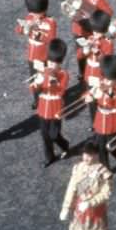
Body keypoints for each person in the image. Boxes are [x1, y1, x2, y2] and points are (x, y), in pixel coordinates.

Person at [59, 140, 113, 230]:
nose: (86, 158)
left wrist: (90, 203)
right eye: (84, 155)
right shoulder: (78, 168)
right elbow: (72, 188)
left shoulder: (104, 172)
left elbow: (106, 193)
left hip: (96, 209)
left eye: (89, 155)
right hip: (81, 208)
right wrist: (66, 207)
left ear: (96, 155)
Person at [30, 38, 70, 167]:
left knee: (54, 134)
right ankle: (49, 156)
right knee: (44, 135)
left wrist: (54, 81)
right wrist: (37, 83)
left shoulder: (63, 74)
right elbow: (34, 88)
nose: (52, 65)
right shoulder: (43, 72)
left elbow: (61, 92)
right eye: (50, 62)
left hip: (55, 107)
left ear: (60, 63)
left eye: (55, 63)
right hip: (43, 106)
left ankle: (64, 145)